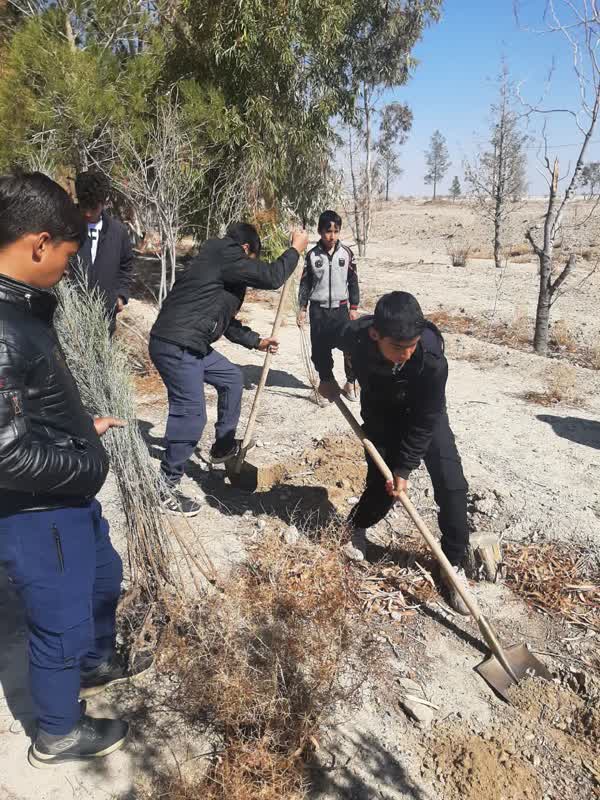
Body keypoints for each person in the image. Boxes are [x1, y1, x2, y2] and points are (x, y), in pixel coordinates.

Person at [0, 172, 145, 767]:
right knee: (59, 617)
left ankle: (95, 662)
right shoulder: (2, 329)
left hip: (64, 494)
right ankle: (57, 732)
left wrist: (80, 423)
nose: (69, 265)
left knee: (101, 577)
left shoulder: (21, 309)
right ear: (38, 244)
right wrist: (84, 464)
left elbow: (23, 405)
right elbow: (5, 451)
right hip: (39, 508)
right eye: (66, 253)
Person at [319, 291, 471, 615]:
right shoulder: (356, 334)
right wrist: (325, 375)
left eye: (411, 345)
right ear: (376, 335)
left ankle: (453, 564)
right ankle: (356, 527)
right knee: (382, 486)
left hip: (423, 414)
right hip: (381, 412)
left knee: (452, 484)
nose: (406, 353)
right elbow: (322, 332)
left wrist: (405, 468)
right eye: (398, 347)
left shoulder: (431, 357)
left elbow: (426, 420)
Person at [150, 222, 309, 516]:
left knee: (231, 378)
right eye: (252, 260)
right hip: (176, 343)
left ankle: (222, 447)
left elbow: (226, 322)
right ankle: (165, 486)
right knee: (192, 413)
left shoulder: (221, 269)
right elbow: (273, 277)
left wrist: (257, 342)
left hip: (191, 342)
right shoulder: (225, 253)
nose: (249, 268)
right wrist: (295, 249)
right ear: (246, 250)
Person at [297, 210, 360, 402]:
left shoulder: (346, 253)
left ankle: (351, 383)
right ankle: (326, 385)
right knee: (320, 351)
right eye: (327, 231)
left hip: (341, 310)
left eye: (336, 231)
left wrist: (354, 307)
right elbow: (305, 284)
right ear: (319, 231)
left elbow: (353, 281)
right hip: (319, 311)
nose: (332, 236)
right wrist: (302, 308)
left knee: (350, 347)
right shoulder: (312, 255)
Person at [73, 171, 133, 335]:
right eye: (84, 205)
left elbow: (126, 267)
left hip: (105, 317)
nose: (87, 213)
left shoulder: (118, 232)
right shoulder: (65, 226)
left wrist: (121, 295)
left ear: (104, 202)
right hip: (69, 317)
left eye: (93, 207)